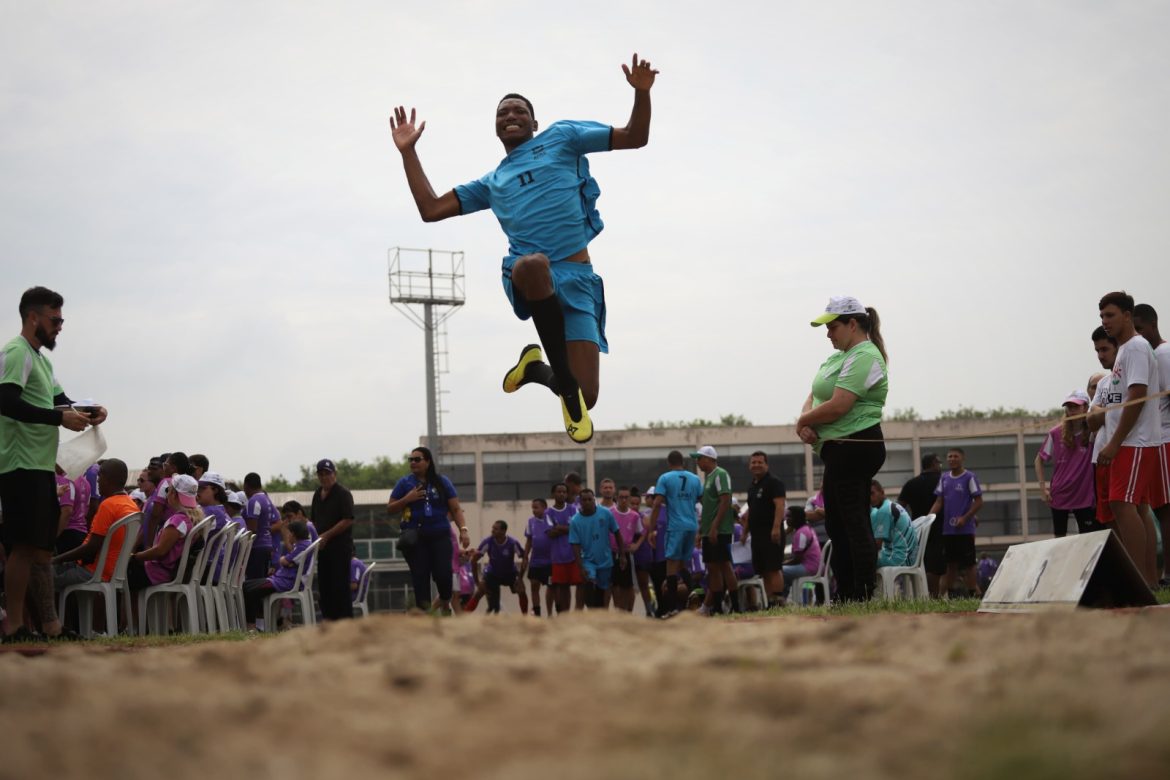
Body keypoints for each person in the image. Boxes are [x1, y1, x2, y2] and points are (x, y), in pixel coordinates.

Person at [389, 54, 659, 443]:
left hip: (579, 279)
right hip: (526, 273)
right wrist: (408, 152)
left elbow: (635, 136)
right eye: (502, 112)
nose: (509, 115)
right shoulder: (492, 182)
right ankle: (562, 383)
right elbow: (431, 209)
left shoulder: (563, 136)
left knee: (587, 396)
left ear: (534, 123)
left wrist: (641, 94)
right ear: (495, 127)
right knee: (534, 264)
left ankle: (536, 369)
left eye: (518, 110)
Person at [0, 286, 107, 642]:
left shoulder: (43, 360)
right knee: (22, 547)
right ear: (33, 317)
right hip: (19, 464)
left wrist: (90, 412)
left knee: (43, 549)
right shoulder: (17, 352)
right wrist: (58, 420)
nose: (60, 326)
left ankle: (51, 626)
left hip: (40, 465)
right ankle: (14, 627)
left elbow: (61, 402)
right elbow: (6, 402)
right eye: (55, 319)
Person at [797, 296, 889, 602]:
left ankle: (859, 594)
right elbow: (814, 395)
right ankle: (847, 591)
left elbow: (838, 405)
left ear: (853, 324)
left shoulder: (864, 355)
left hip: (856, 445)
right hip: (838, 450)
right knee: (838, 522)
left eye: (833, 327)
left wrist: (803, 422)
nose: (828, 334)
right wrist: (807, 420)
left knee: (853, 521)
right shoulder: (840, 357)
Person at [1094, 292, 1162, 587]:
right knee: (1134, 507)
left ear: (1127, 315)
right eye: (1101, 317)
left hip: (1135, 441)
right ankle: (1146, 581)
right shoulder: (1124, 350)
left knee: (1122, 504)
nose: (1105, 321)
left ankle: (1138, 584)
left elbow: (1136, 397)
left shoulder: (1134, 347)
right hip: (1130, 441)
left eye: (1110, 315)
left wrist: (1114, 441)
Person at [387, 447, 469, 614]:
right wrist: (407, 499)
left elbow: (455, 509)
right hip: (415, 538)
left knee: (443, 575)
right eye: (411, 460)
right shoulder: (405, 483)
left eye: (417, 459)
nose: (413, 463)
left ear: (428, 462)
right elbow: (390, 508)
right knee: (420, 578)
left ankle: (445, 598)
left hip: (440, 535)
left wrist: (463, 530)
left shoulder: (442, 482)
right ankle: (424, 619)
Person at [52, 459, 137, 601]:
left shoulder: (108, 505)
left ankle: (44, 622)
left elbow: (91, 547)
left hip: (93, 571)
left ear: (107, 479)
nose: (97, 482)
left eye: (99, 477)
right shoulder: (131, 504)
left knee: (39, 575)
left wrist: (56, 559)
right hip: (114, 570)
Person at [1133, 303, 1170, 585]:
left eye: (1140, 329)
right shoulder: (1151, 355)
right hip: (1157, 441)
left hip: (1165, 439)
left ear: (1151, 325)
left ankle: (1167, 574)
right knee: (1158, 508)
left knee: (1165, 509)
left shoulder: (1163, 354)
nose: (1138, 336)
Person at [646, 450, 703, 617]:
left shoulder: (665, 478)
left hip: (676, 526)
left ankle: (672, 609)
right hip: (691, 526)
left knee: (671, 566)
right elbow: (701, 500)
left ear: (668, 463)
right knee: (683, 566)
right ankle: (695, 602)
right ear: (683, 462)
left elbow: (656, 504)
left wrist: (651, 530)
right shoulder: (694, 478)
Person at [1034, 391, 1097, 537]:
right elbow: (1038, 460)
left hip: (1084, 496)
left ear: (1085, 407)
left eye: (1075, 406)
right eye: (1068, 406)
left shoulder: (1093, 432)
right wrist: (1043, 489)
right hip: (1060, 495)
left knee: (1087, 539)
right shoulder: (1056, 433)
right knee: (1059, 540)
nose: (1071, 410)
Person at [127, 474, 202, 595]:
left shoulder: (178, 521)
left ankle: (131, 614)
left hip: (158, 572)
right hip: (169, 572)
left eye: (168, 490)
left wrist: (135, 557)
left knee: (122, 577)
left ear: (173, 494)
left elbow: (160, 550)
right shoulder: (193, 519)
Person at [929, 448, 984, 597]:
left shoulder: (969, 477)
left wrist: (965, 517)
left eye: (955, 456)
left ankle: (973, 594)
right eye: (949, 456)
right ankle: (950, 595)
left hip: (965, 530)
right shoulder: (944, 478)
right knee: (950, 564)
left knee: (969, 564)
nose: (952, 459)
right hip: (948, 530)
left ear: (962, 458)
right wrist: (928, 519)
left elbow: (979, 501)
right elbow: (939, 501)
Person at [242, 519, 313, 629]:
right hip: (280, 579)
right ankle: (256, 625)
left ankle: (252, 626)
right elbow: (288, 562)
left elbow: (284, 561)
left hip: (284, 582)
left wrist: (286, 561)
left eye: (288, 532)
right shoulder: (302, 545)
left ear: (293, 534)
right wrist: (287, 562)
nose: (286, 535)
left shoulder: (303, 546)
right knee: (246, 585)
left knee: (250, 591)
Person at [693, 446, 739, 614]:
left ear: (708, 458)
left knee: (725, 566)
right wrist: (701, 531)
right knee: (712, 568)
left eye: (699, 458)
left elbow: (725, 500)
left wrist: (714, 527)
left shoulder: (720, 474)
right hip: (709, 530)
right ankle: (718, 607)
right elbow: (708, 508)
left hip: (719, 530)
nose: (697, 462)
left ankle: (736, 607)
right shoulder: (708, 479)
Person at [310, 459, 357, 620]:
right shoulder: (317, 494)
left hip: (340, 548)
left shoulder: (343, 494)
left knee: (340, 588)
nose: (324, 477)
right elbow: (314, 520)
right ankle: (328, 621)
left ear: (334, 474)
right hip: (323, 550)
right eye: (321, 474)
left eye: (327, 474)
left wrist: (327, 535)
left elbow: (348, 519)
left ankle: (345, 624)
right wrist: (316, 537)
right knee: (325, 588)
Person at [742, 451, 787, 608]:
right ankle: (770, 601)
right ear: (749, 466)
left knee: (774, 567)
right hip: (757, 535)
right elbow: (751, 511)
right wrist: (745, 531)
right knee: (764, 569)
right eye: (753, 462)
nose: (756, 465)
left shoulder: (774, 483)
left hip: (771, 533)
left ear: (766, 464)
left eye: (760, 462)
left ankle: (779, 600)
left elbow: (780, 506)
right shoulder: (752, 487)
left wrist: (776, 528)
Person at [569, 489, 625, 608]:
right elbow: (575, 545)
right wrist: (580, 567)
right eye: (584, 500)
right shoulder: (575, 521)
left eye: (590, 499)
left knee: (602, 590)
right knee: (589, 586)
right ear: (580, 502)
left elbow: (617, 532)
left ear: (594, 500)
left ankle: (599, 614)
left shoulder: (606, 513)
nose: (588, 502)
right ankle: (591, 612)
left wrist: (622, 555)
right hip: (588, 561)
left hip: (605, 560)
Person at [899, 453, 945, 596]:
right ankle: (934, 595)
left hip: (917, 529)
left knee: (922, 563)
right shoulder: (942, 481)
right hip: (940, 528)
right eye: (939, 463)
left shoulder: (911, 484)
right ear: (933, 464)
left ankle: (924, 594)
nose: (940, 466)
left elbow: (900, 507)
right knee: (937, 565)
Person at [1088, 326, 1120, 529]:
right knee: (1108, 518)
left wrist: (1101, 410)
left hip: (1121, 452)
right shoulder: (1103, 384)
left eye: (1105, 349)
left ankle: (1139, 562)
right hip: (1099, 458)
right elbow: (1091, 421)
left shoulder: (1128, 377)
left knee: (1126, 511)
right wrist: (1104, 411)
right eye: (1097, 351)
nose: (1101, 355)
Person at [466, 521, 528, 614]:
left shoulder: (512, 543)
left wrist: (520, 578)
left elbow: (525, 558)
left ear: (503, 531)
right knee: (479, 592)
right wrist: (477, 582)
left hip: (509, 573)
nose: (492, 531)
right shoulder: (487, 542)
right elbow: (474, 560)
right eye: (492, 528)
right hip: (493, 574)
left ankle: (525, 617)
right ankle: (463, 618)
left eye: (495, 529)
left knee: (522, 590)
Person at [547, 482, 582, 613]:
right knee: (562, 587)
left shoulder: (573, 509)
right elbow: (550, 533)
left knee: (580, 584)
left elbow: (577, 528)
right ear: (553, 494)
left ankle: (577, 612)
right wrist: (568, 528)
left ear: (567, 494)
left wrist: (559, 527)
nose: (561, 494)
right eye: (558, 491)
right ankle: (565, 614)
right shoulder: (548, 512)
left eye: (564, 492)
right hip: (557, 556)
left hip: (574, 554)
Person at [608, 486, 642, 612]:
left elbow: (642, 532)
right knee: (615, 585)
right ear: (616, 498)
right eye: (621, 497)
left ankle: (629, 612)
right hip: (612, 552)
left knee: (628, 585)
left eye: (626, 497)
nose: (623, 500)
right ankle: (618, 611)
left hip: (627, 555)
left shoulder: (634, 515)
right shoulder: (609, 512)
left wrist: (637, 545)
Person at [869, 480, 915, 569]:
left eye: (872, 493)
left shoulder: (884, 511)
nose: (870, 498)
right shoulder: (890, 505)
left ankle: (870, 583)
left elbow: (877, 545)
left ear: (882, 492)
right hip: (909, 555)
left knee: (863, 560)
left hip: (902, 558)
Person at [522, 497, 554, 617]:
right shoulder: (531, 522)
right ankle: (537, 613)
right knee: (534, 586)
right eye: (532, 508)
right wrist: (525, 557)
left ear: (544, 508)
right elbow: (529, 541)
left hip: (550, 562)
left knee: (551, 587)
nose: (534, 510)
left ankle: (550, 613)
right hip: (536, 562)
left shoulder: (551, 520)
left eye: (536, 507)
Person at [782, 506, 822, 600]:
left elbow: (797, 560)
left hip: (809, 567)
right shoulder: (805, 529)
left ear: (797, 517)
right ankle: (782, 598)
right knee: (782, 572)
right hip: (813, 566)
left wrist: (783, 563)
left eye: (789, 516)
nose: (786, 519)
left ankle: (780, 600)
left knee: (779, 571)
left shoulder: (801, 533)